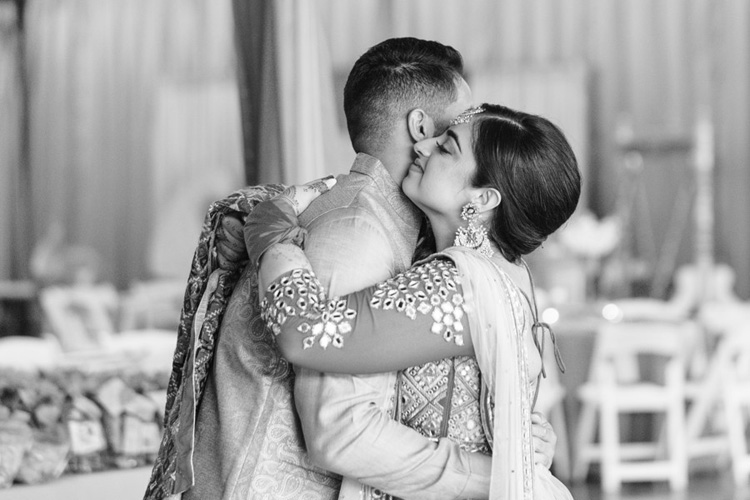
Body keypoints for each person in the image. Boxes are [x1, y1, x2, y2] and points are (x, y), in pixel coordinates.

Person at [145, 38, 558, 500]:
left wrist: (516, 450)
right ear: (419, 127)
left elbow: (318, 343)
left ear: (483, 198)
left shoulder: (448, 265)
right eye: (449, 130)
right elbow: (339, 422)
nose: (436, 144)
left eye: (451, 144)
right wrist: (508, 467)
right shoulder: (361, 230)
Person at [246, 104, 581, 499]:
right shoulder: (511, 270)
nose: (423, 145)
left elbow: (305, 334)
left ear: (485, 197)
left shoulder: (456, 283)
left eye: (447, 147)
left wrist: (272, 237)